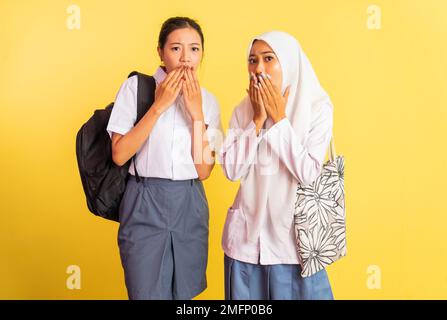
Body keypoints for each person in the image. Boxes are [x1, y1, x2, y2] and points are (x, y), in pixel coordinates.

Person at [106, 16, 223, 300]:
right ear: (160, 51)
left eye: (194, 49)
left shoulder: (208, 101)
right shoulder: (136, 88)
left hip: (189, 201)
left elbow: (204, 169)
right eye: (176, 48)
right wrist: (159, 106)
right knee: (145, 292)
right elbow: (120, 154)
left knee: (185, 293)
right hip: (144, 199)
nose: (186, 58)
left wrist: (196, 114)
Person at [219, 31, 334, 300]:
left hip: (295, 247)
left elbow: (308, 173)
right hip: (246, 246)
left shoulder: (318, 108)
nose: (258, 68)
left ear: (289, 62)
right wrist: (258, 120)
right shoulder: (243, 109)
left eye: (269, 59)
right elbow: (232, 170)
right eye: (252, 60)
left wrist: (279, 120)